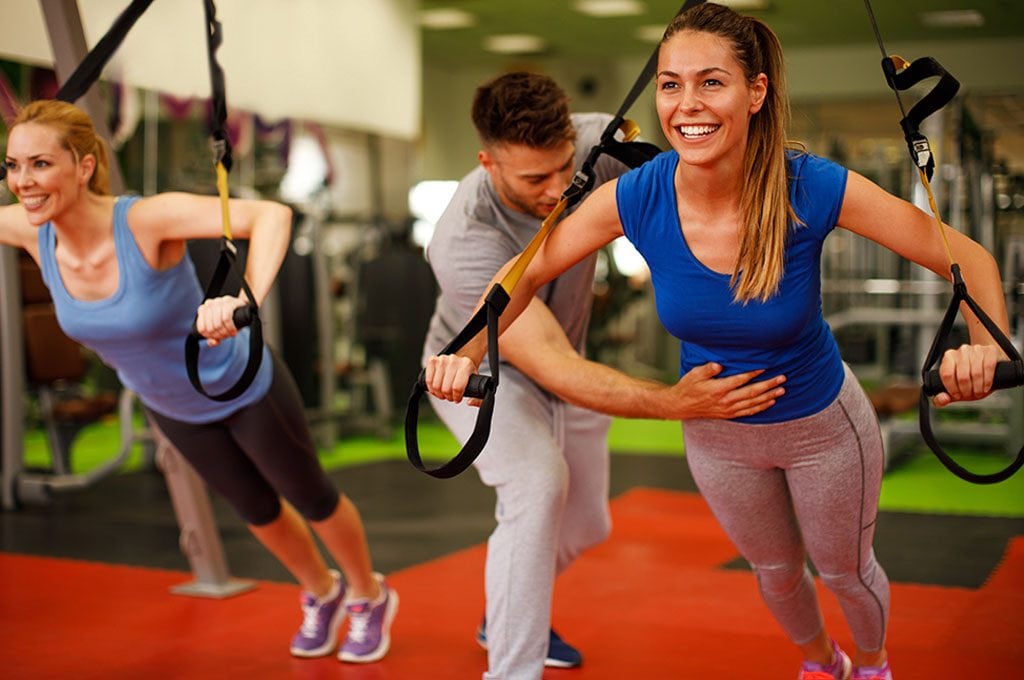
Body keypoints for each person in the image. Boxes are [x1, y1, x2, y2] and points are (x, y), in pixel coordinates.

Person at [425, 5, 1011, 680]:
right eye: (670, 84)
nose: (686, 105)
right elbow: (522, 273)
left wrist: (985, 348)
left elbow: (967, 258)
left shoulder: (809, 184)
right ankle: (824, 664)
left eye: (711, 82)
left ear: (755, 92)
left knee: (845, 572)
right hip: (715, 435)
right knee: (775, 574)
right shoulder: (637, 195)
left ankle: (873, 666)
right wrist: (464, 354)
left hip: (822, 427)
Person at [0, 99, 398, 664]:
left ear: (84, 166)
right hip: (172, 407)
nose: (23, 181)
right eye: (13, 166)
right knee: (256, 510)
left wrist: (244, 301)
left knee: (310, 495)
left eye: (39, 164)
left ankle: (368, 594)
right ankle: (321, 591)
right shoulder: (26, 229)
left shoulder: (144, 220)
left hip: (240, 383)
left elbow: (271, 216)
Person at [422, 71, 775, 680]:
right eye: (536, 178)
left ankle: (501, 614)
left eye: (564, 167)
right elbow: (550, 364)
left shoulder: (598, 144)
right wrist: (674, 402)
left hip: (574, 361)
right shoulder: (461, 241)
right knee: (535, 483)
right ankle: (511, 669)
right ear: (487, 162)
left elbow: (689, 182)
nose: (558, 189)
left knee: (588, 526)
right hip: (479, 375)